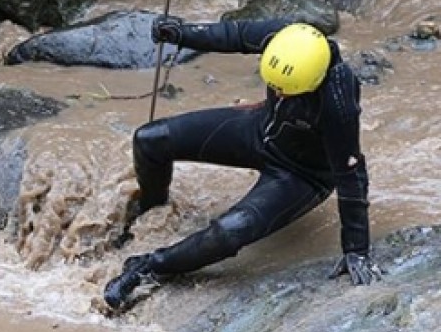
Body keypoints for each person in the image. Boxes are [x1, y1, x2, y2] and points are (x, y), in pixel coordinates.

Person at [103, 17, 379, 311]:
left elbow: (351, 172)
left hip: (302, 175)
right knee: (150, 139)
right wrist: (182, 33)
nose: (280, 94)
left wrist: (356, 249)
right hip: (261, 130)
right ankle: (151, 211)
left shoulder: (338, 100)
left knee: (231, 229)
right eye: (275, 88)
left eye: (287, 90)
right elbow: (232, 34)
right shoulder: (286, 40)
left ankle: (149, 266)